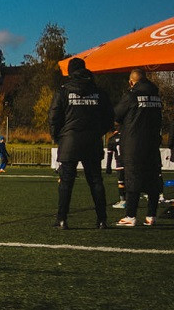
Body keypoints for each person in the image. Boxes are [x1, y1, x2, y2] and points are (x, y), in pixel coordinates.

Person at [49, 56, 113, 229]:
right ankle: (102, 220)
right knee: (95, 181)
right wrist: (98, 132)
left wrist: (59, 137)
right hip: (92, 140)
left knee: (66, 181)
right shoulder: (99, 92)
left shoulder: (63, 91)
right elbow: (109, 118)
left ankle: (62, 219)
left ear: (70, 72)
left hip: (70, 140)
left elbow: (54, 117)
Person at [114, 68, 164, 227]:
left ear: (131, 82)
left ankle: (130, 215)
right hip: (153, 142)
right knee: (153, 179)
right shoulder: (156, 96)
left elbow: (116, 115)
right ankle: (151, 215)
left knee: (132, 179)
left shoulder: (130, 96)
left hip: (133, 144)